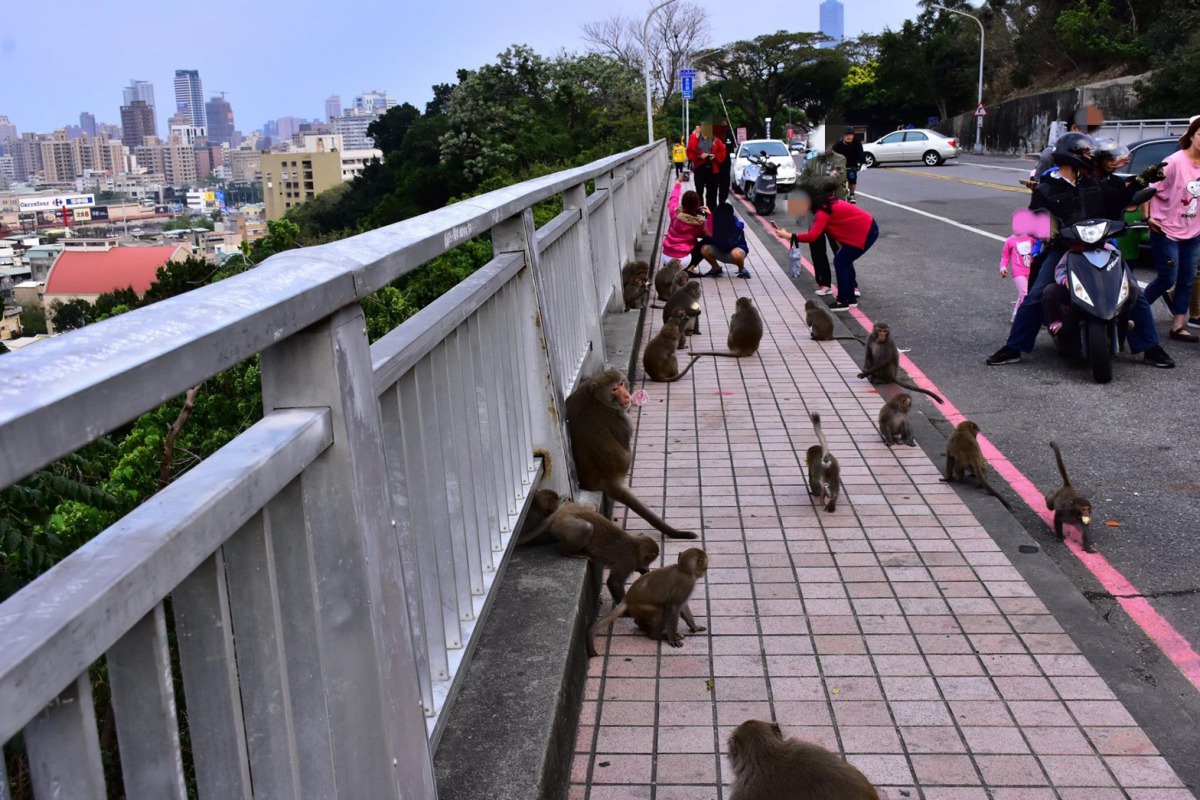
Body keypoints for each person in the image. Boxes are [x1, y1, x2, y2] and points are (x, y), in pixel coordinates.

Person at [987, 133, 1175, 368]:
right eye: (1087, 153)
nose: (1091, 157)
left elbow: (1118, 201)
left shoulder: (1092, 183)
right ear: (1071, 155)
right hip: (1063, 248)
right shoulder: (1046, 189)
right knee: (1036, 294)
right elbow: (1033, 219)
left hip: (1099, 245)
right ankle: (1014, 347)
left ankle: (1151, 348)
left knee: (1133, 291)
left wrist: (1141, 181)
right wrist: (1048, 230)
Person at [773, 176, 878, 310]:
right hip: (864, 229)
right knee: (842, 260)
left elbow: (813, 236)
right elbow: (838, 226)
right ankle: (850, 298)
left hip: (865, 231)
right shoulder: (825, 204)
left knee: (841, 261)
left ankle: (843, 301)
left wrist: (788, 235)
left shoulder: (823, 211)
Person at [1143, 116, 1200, 343]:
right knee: (1167, 279)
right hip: (1165, 230)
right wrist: (1147, 217)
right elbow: (1148, 186)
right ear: (1192, 135)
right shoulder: (1174, 161)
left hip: (1193, 232)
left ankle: (1178, 326)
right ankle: (1131, 312)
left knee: (1186, 279)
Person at [799, 143, 849, 295]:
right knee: (817, 248)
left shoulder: (840, 159)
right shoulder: (810, 163)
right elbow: (801, 183)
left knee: (840, 248)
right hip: (815, 209)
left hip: (834, 210)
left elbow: (837, 181)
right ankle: (823, 283)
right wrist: (827, 178)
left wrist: (814, 182)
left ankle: (850, 284)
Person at [661, 176, 709, 272]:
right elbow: (710, 234)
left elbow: (673, 199)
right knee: (705, 242)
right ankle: (689, 268)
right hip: (682, 261)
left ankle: (669, 267)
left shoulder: (675, 213)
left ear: (682, 202)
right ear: (697, 205)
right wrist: (710, 215)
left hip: (666, 257)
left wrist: (678, 183)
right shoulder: (698, 223)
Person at [698, 202, 751, 279]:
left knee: (736, 254)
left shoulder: (736, 227)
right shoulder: (718, 222)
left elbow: (726, 245)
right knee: (704, 248)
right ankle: (716, 269)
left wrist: (711, 235)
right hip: (721, 251)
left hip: (734, 253)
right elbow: (708, 241)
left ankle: (742, 269)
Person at [687, 126, 726, 210]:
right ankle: (700, 212)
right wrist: (699, 156)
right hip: (700, 168)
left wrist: (715, 156)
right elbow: (689, 152)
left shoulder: (716, 139)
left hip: (712, 169)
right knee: (699, 192)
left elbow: (722, 152)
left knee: (712, 193)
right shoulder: (695, 138)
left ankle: (711, 213)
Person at [999, 232, 1037, 321]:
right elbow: (1005, 256)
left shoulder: (1031, 238)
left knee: (1025, 294)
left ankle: (1017, 313)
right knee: (1024, 294)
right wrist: (1003, 267)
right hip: (1018, 272)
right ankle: (1020, 316)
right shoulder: (1010, 241)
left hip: (1031, 271)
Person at [832, 127, 865, 203]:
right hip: (840, 165)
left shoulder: (857, 143)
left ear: (853, 135)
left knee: (852, 176)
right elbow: (832, 155)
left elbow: (861, 153)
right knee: (835, 179)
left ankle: (852, 194)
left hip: (852, 164)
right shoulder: (838, 145)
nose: (848, 137)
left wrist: (863, 163)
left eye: (850, 134)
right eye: (846, 135)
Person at [717, 132, 736, 205]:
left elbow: (731, 148)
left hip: (726, 163)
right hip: (716, 163)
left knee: (725, 184)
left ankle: (722, 201)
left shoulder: (729, 135)